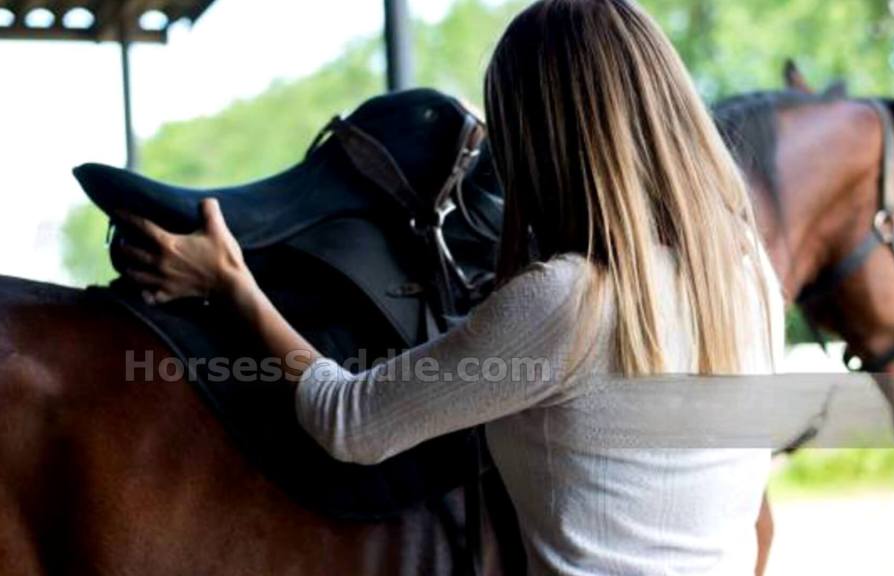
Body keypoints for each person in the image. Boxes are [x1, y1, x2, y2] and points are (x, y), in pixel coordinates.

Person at [119, 0, 784, 573]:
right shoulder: (745, 271)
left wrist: (231, 283)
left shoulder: (566, 300)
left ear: (536, 144)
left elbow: (350, 422)